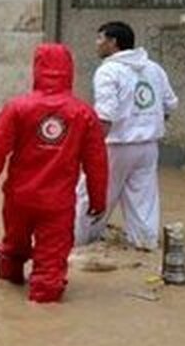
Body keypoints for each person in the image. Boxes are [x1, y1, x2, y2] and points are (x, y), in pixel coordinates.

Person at [0, 43, 108, 304]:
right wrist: (98, 201)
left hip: (18, 198)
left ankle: (6, 309)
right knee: (50, 266)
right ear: (70, 71)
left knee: (12, 248)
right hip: (57, 203)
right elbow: (97, 163)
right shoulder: (83, 114)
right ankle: (42, 326)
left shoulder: (17, 108)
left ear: (37, 69)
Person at [75, 21, 178, 250]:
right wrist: (148, 123)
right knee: (144, 201)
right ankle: (144, 244)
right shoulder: (154, 68)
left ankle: (78, 243)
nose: (97, 43)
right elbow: (170, 104)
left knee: (92, 195)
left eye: (100, 38)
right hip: (148, 147)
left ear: (113, 42)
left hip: (116, 145)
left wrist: (92, 150)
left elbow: (105, 115)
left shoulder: (108, 70)